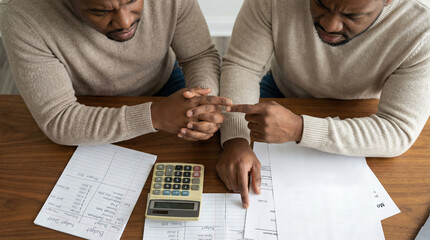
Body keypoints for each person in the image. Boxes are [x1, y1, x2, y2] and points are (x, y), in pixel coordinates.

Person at [213, 0, 430, 208]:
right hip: (283, 93)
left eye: (352, 15)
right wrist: (236, 138)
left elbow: (397, 130)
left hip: (363, 110)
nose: (330, 25)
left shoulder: (422, 28)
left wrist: (300, 129)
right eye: (320, 4)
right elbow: (242, 66)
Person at [0, 0, 231, 145]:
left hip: (164, 86)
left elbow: (198, 55)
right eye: (100, 11)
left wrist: (202, 103)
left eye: (132, 0)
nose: (124, 22)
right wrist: (155, 116)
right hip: (84, 104)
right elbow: (59, 119)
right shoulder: (22, 16)